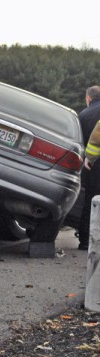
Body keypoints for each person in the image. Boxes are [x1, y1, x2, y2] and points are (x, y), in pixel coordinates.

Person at [77, 86, 100, 249]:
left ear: (88, 99)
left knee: (91, 202)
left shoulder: (83, 115)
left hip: (92, 167)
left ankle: (85, 241)